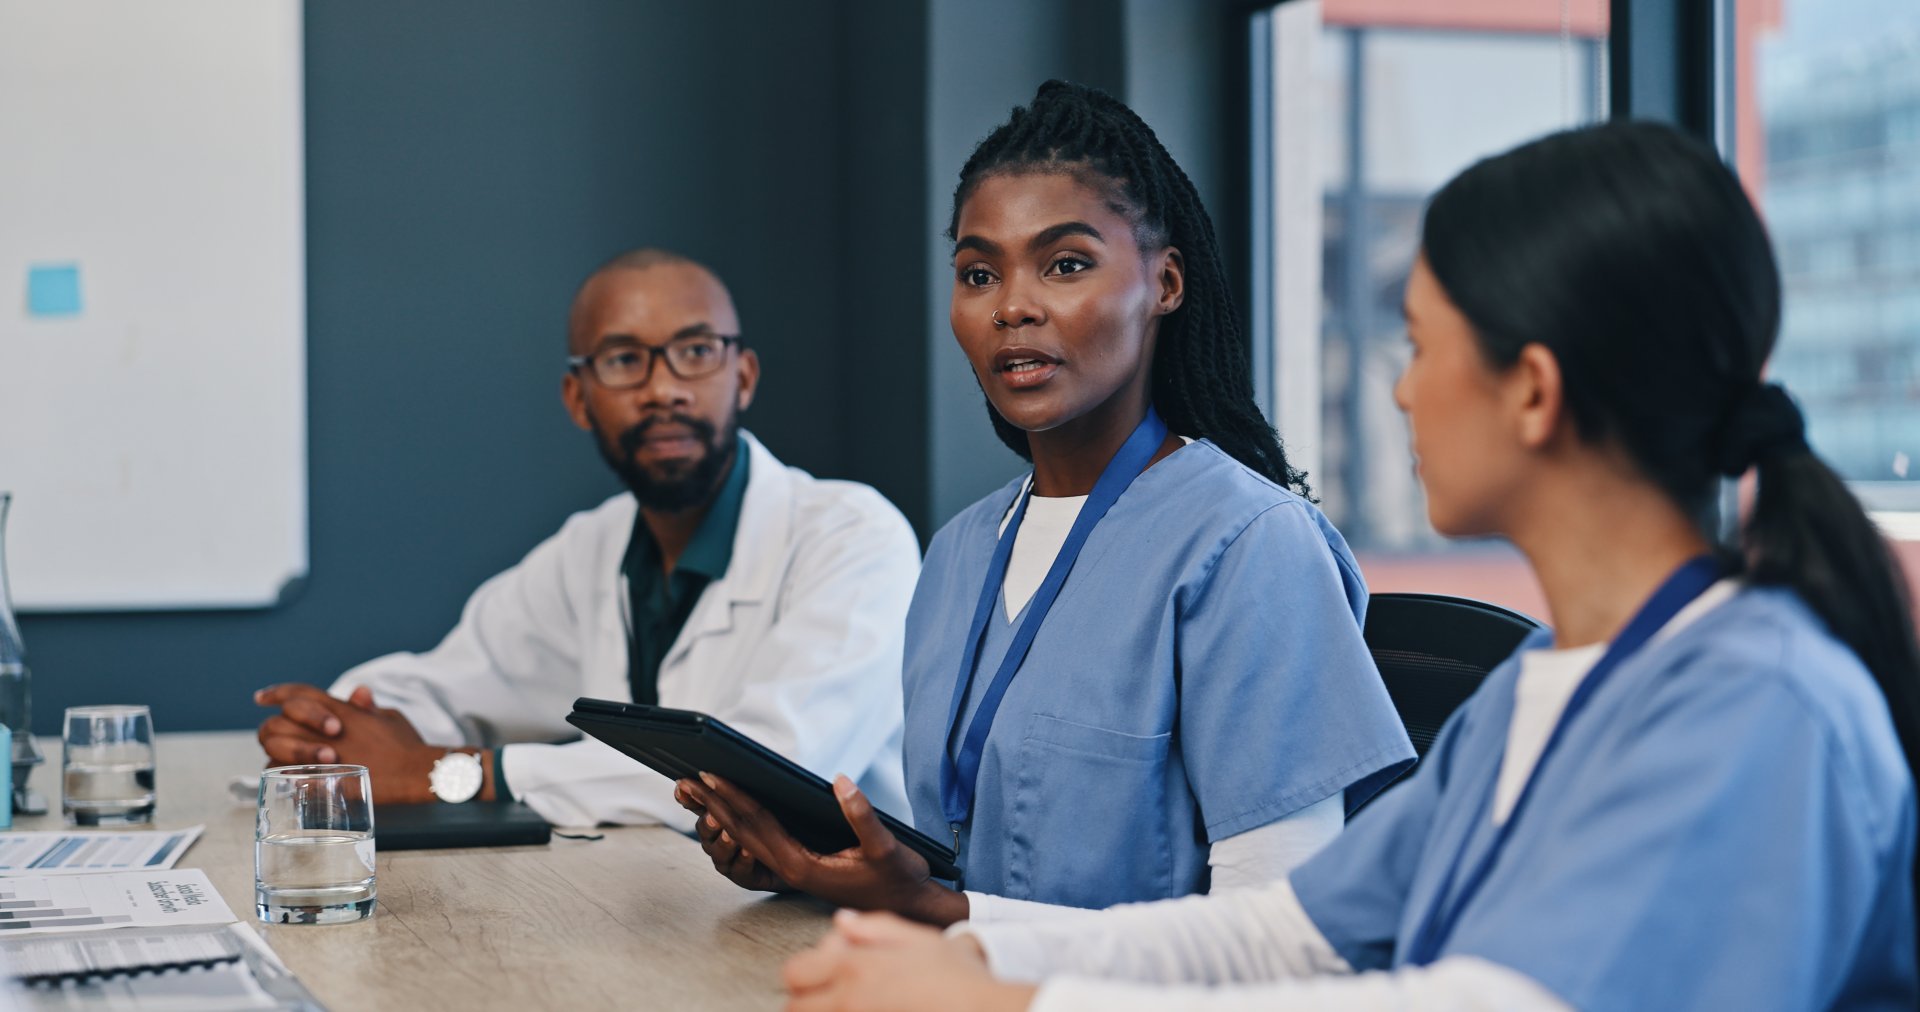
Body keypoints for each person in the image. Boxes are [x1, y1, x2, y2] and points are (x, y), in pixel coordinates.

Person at [776, 121, 1920, 1011]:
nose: (1402, 389)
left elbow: (1503, 1002)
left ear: (1532, 390)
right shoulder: (1535, 695)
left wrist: (1015, 1000)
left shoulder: (1761, 701)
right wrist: (969, 948)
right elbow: (1296, 934)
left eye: (1419, 345)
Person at [676, 81, 1413, 926]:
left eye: (1065, 264)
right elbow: (961, 859)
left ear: (1166, 282)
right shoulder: (958, 553)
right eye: (978, 274)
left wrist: (938, 911)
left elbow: (1275, 934)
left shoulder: (1252, 545)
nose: (1012, 306)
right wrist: (807, 866)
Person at [253, 249, 921, 828]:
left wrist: (453, 774)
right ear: (578, 398)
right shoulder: (593, 547)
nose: (664, 390)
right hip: (653, 900)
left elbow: (767, 772)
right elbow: (449, 680)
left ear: (742, 377)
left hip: (828, 919)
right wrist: (338, 730)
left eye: (695, 353)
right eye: (625, 360)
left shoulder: (853, 537)